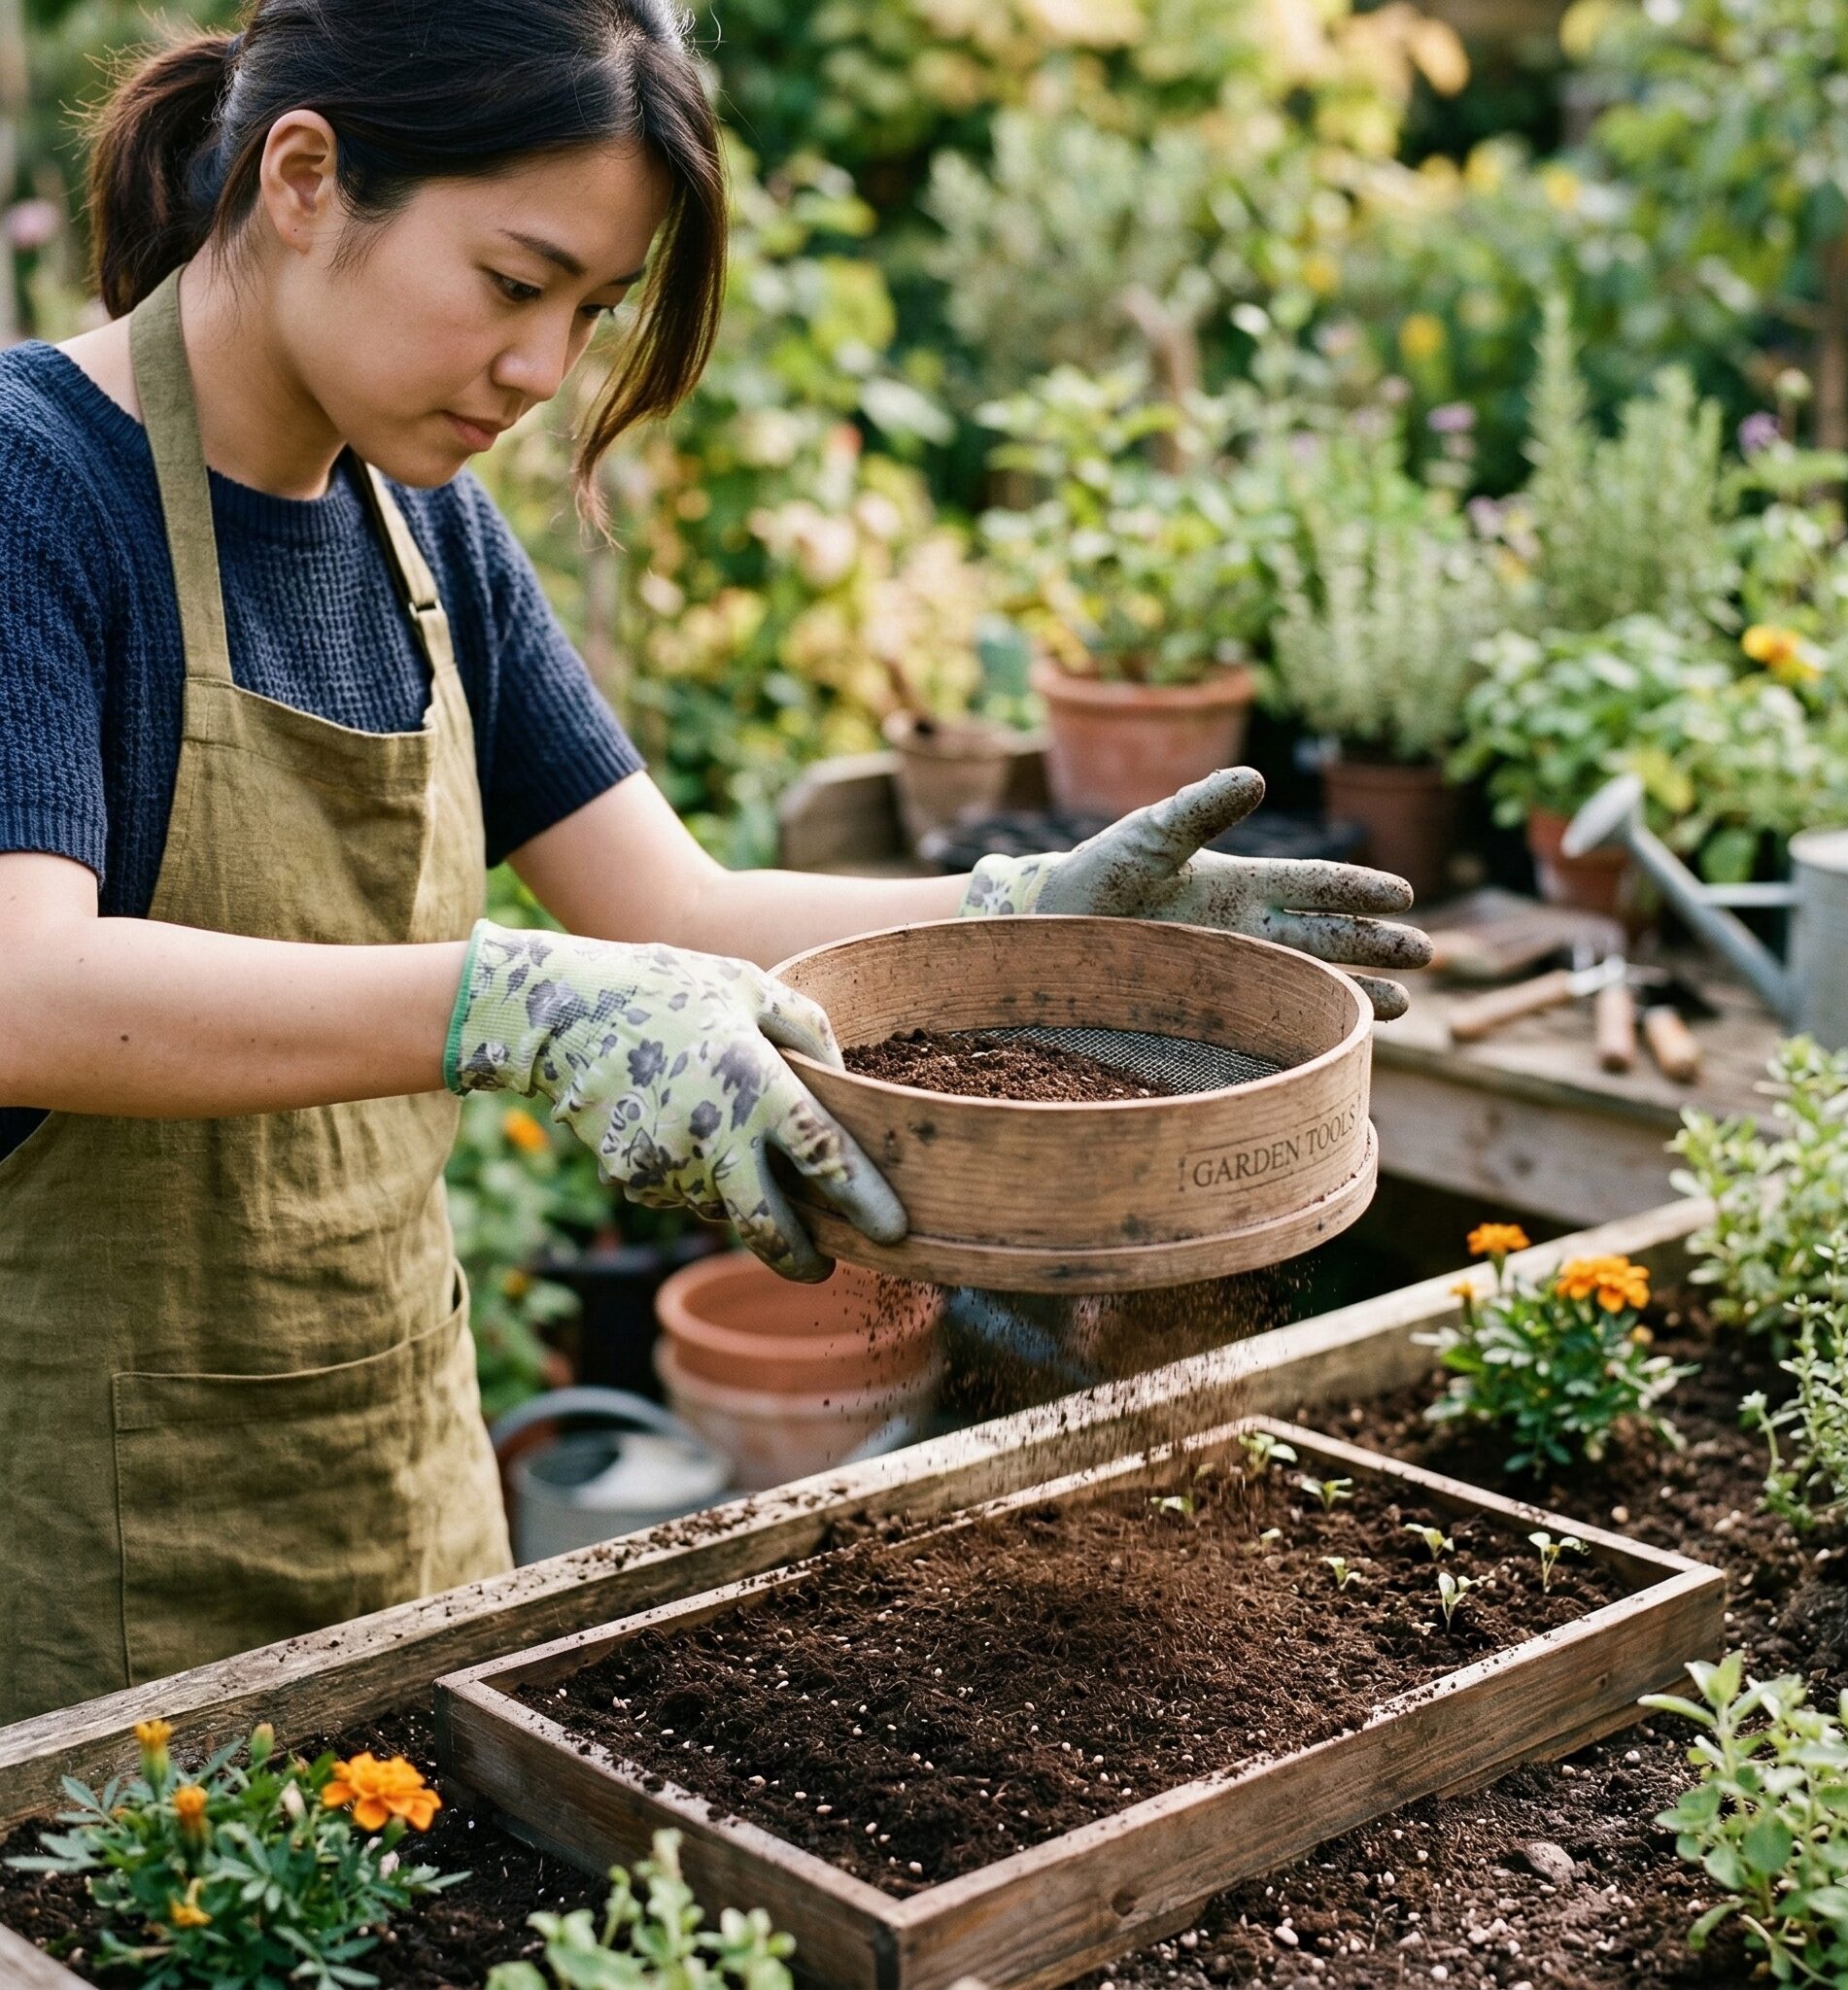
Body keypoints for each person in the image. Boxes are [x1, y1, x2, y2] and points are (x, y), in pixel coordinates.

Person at [0, 0, 1431, 1725]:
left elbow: (674, 907)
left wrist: (1025, 923)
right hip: (86, 1562)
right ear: (303, 178)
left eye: (590, 311)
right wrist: (516, 1001)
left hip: (392, 1489)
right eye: (515, 283)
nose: (545, 370)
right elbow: (26, 988)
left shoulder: (424, 528)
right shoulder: (33, 488)